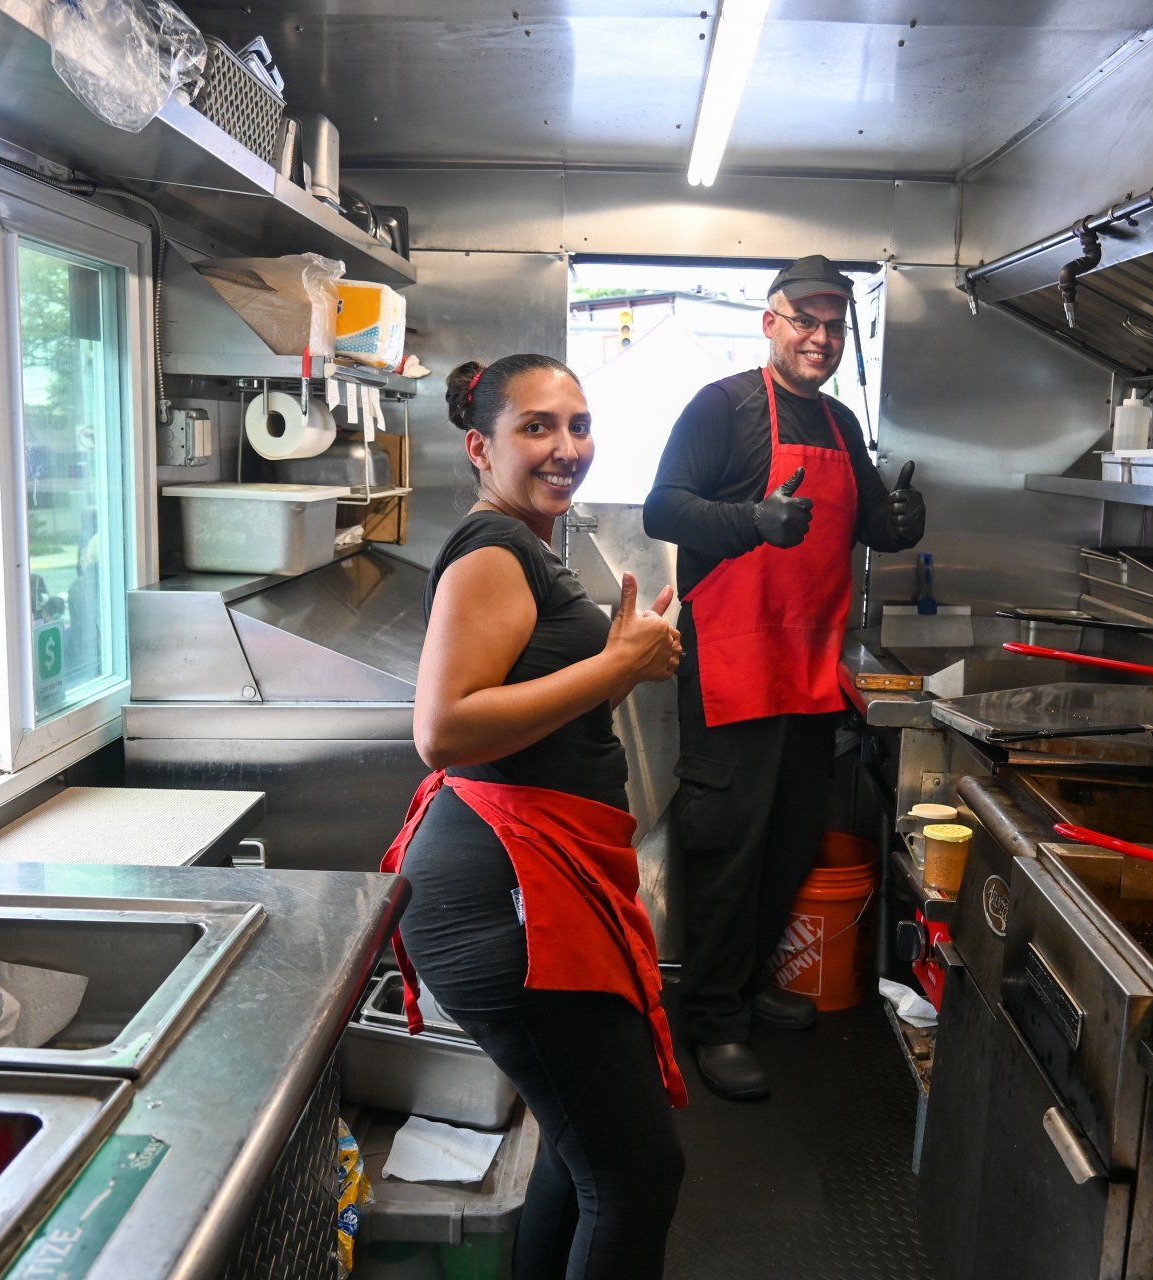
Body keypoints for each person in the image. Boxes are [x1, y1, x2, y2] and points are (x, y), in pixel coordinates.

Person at [382, 354, 688, 1280]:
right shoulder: (493, 552)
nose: (568, 448)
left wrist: (623, 653)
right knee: (636, 1172)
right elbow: (442, 730)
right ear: (480, 447)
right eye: (538, 428)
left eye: (580, 425)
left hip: (530, 876)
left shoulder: (526, 543)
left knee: (578, 1144)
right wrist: (617, 666)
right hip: (503, 896)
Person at [642, 255, 928, 1101]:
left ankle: (749, 985)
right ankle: (714, 1020)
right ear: (770, 322)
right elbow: (665, 507)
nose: (820, 336)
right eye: (805, 320)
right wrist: (750, 520)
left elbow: (875, 522)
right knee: (729, 850)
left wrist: (905, 522)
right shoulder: (722, 407)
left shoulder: (840, 423)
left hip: (809, 670)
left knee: (789, 843)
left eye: (834, 324)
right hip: (731, 667)